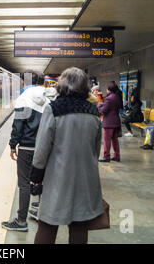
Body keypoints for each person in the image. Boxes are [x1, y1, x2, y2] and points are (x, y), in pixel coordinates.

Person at [30, 67, 103, 244]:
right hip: (86, 179)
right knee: (79, 227)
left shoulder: (53, 109)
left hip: (58, 179)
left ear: (62, 85)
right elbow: (96, 150)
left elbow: (41, 149)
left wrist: (36, 176)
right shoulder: (94, 112)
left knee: (47, 224)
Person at [1, 71, 49, 232]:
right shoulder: (48, 98)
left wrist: (13, 144)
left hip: (27, 148)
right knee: (43, 180)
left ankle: (21, 221)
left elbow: (18, 124)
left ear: (24, 81)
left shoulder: (24, 98)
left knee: (24, 184)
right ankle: (41, 212)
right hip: (45, 147)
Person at [97, 82, 122, 162]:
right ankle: (117, 156)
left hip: (109, 122)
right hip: (116, 121)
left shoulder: (109, 98)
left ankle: (106, 156)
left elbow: (104, 110)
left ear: (109, 89)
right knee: (115, 140)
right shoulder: (117, 97)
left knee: (107, 140)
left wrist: (99, 106)